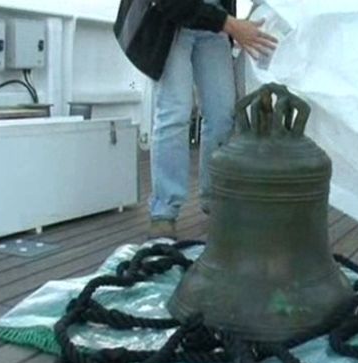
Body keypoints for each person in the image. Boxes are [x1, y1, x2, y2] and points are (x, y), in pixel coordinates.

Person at [114, 0, 276, 238]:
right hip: (170, 22)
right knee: (174, 112)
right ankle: (164, 211)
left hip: (213, 25)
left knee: (223, 114)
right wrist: (232, 25)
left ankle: (215, 198)